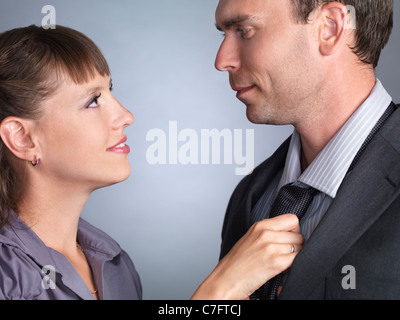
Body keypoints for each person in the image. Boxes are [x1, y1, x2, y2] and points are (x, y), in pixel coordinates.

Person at [0, 24, 280, 301]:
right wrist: (217, 294)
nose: (126, 115)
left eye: (110, 90)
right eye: (93, 101)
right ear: (22, 137)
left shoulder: (116, 266)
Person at [212, 0, 400, 300]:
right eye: (224, 33)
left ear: (330, 27)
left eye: (244, 31)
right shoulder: (249, 197)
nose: (222, 60)